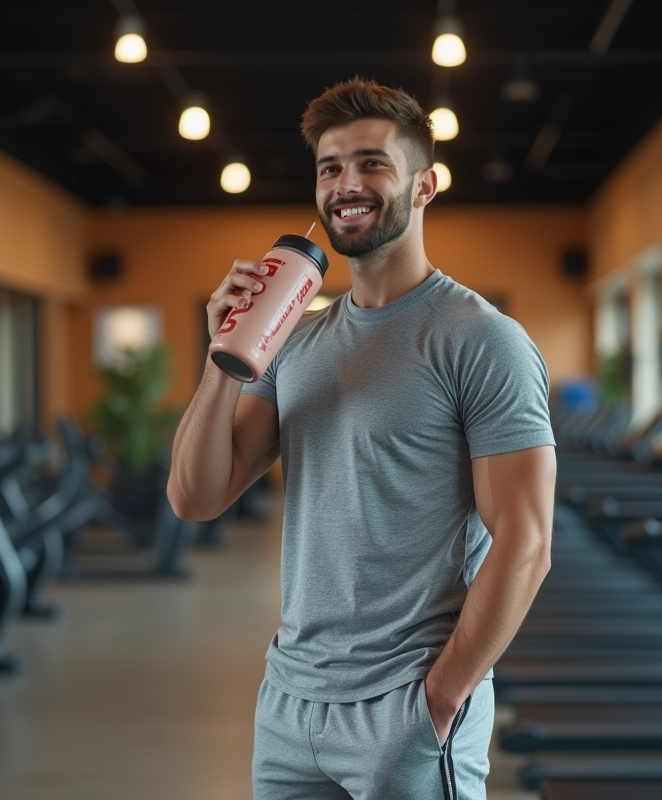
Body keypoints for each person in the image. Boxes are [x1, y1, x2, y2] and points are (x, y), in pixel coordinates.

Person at [168, 77, 556, 799]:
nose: (347, 182)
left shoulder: (481, 341)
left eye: (373, 162)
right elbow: (196, 497)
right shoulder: (294, 344)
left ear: (426, 184)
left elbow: (526, 543)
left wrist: (440, 701)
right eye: (330, 167)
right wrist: (225, 354)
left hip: (406, 706)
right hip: (290, 703)